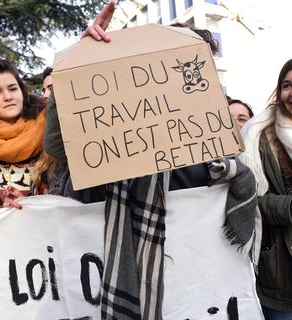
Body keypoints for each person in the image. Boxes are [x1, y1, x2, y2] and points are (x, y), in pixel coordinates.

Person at [44, 2, 260, 319]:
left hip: (203, 283)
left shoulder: (217, 140)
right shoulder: (126, 129)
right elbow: (59, 147)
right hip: (139, 275)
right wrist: (78, 64)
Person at [240, 59, 292, 319]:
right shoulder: (258, 138)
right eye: (286, 85)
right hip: (282, 277)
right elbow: (249, 201)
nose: (291, 93)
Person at [0, 59, 46, 214]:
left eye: (13, 88)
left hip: (42, 234)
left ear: (22, 91)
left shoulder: (49, 131)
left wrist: (31, 205)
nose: (7, 97)